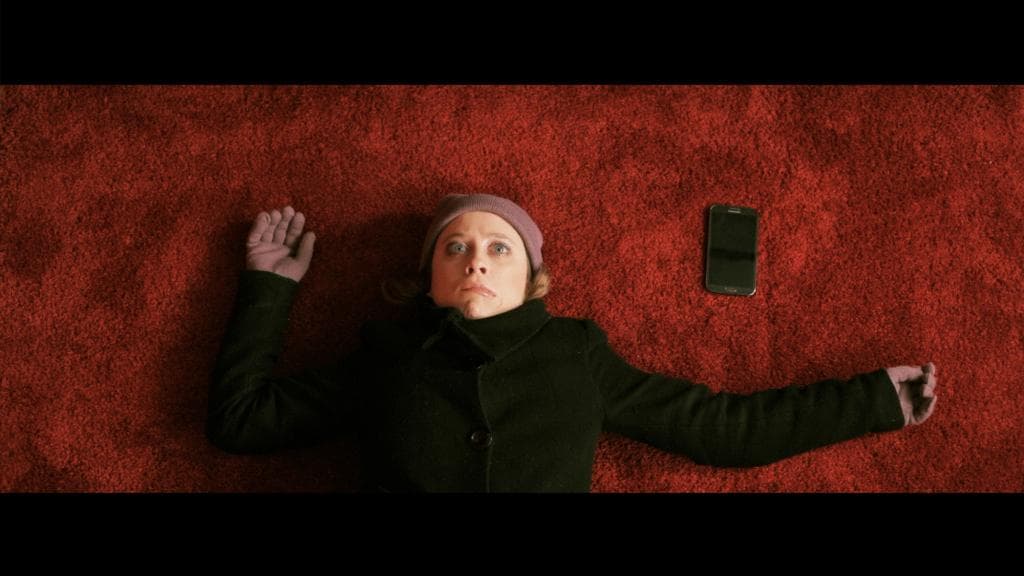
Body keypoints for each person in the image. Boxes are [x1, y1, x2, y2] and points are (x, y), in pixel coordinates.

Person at [207, 194, 938, 492]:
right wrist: (269, 288)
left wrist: (872, 401)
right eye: (454, 248)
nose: (476, 260)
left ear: (533, 281)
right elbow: (240, 421)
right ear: (427, 282)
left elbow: (723, 428)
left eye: (498, 248)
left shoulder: (575, 355)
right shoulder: (385, 357)